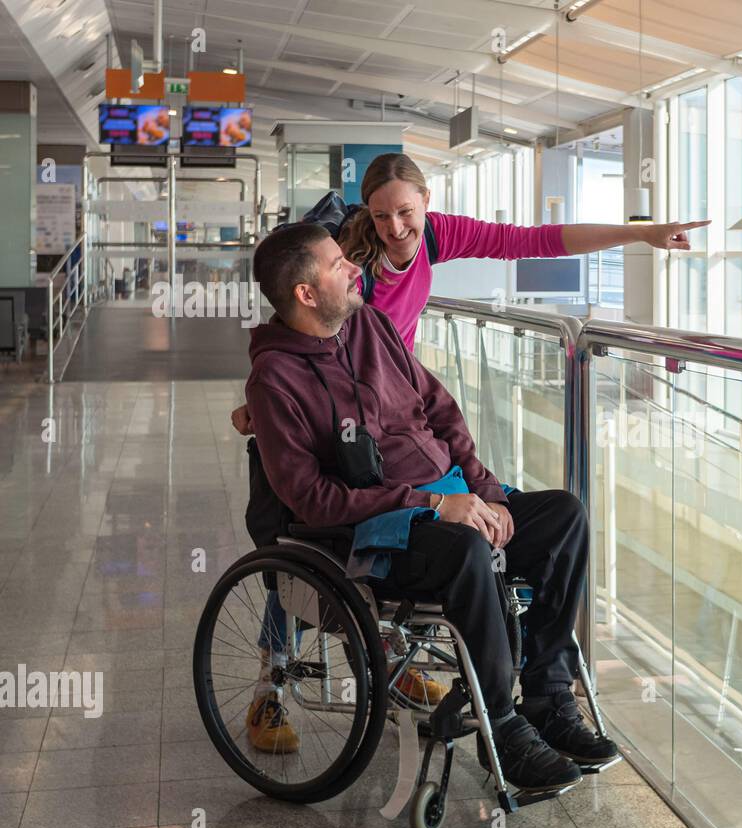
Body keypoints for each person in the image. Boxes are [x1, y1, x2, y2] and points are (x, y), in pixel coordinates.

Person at [235, 152, 705, 713]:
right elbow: (297, 324)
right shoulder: (350, 263)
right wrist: (260, 401)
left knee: (547, 515)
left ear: (426, 204)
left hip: (400, 411)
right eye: (381, 216)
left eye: (406, 212)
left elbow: (537, 241)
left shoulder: (432, 239)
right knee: (317, 543)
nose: (394, 228)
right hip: (349, 431)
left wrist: (645, 233)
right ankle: (274, 679)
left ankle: (536, 693)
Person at [245, 222, 616, 791]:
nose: (353, 267)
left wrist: (484, 489)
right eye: (337, 263)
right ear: (305, 293)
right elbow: (310, 499)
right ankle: (505, 729)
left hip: (453, 498)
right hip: (377, 531)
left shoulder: (370, 325)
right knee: (465, 548)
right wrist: (433, 505)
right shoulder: (275, 379)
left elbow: (441, 412)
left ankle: (546, 695)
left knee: (564, 516)